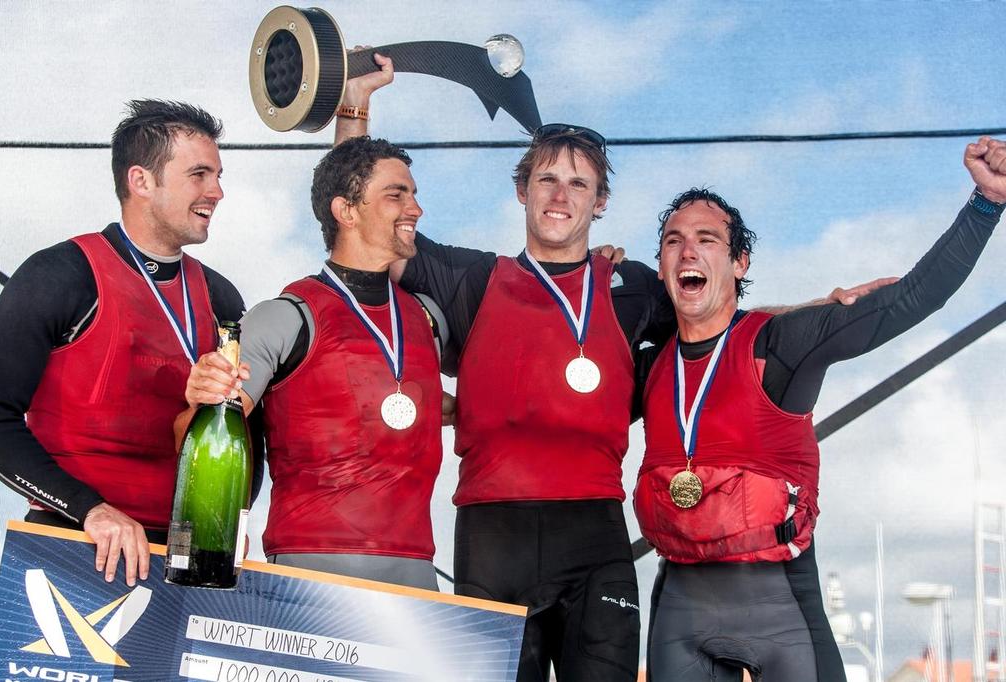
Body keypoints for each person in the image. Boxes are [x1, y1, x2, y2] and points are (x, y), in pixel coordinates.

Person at [337, 59, 886, 681]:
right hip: (492, 537)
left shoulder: (632, 289)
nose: (559, 195)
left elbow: (716, 319)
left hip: (595, 538)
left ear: (600, 203)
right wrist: (354, 106)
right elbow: (367, 226)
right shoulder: (475, 278)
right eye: (546, 179)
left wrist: (820, 307)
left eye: (578, 184)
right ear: (522, 191)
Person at [634, 137, 1006, 682]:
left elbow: (910, 300)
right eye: (674, 241)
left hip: (782, 608)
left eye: (707, 239)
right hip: (679, 613)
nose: (688, 250)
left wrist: (986, 202)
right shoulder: (646, 368)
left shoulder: (783, 342)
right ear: (663, 265)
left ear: (739, 263)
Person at [182, 55, 446, 590]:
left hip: (416, 576)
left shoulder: (423, 317)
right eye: (397, 195)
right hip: (309, 570)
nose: (415, 208)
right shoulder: (285, 317)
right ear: (346, 211)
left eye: (414, 194)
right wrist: (199, 395)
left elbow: (416, 408)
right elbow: (200, 438)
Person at [0, 100, 253, 587]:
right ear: (141, 180)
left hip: (187, 556)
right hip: (78, 538)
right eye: (199, 174)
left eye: (217, 175)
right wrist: (90, 510)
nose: (217, 191)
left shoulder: (222, 297)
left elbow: (248, 432)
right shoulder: (60, 274)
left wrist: (233, 518)